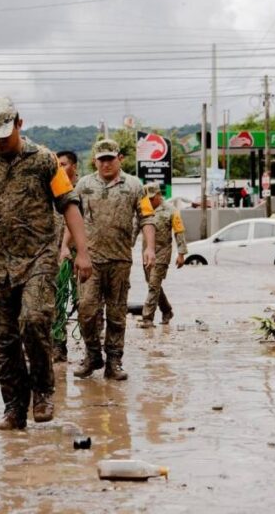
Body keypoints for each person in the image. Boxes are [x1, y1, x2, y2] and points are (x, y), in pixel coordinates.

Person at [0, 96, 92, 431]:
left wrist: (82, 252)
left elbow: (69, 205)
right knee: (4, 338)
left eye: (5, 133)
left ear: (19, 124)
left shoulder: (45, 162)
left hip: (39, 257)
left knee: (34, 319)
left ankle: (42, 391)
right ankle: (14, 407)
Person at [66, 138, 156, 381]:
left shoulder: (135, 186)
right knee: (86, 310)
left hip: (120, 260)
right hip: (89, 260)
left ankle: (114, 361)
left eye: (110, 159)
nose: (106, 164)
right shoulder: (84, 185)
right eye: (101, 159)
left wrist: (149, 248)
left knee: (116, 314)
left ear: (120, 159)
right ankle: (93, 354)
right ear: (95, 160)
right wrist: (65, 246)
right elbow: (72, 215)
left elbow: (147, 218)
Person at [137, 182, 187, 328]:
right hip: (146, 253)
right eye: (148, 199)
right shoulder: (144, 209)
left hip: (162, 253)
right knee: (153, 284)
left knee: (153, 285)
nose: (150, 202)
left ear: (159, 195)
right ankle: (167, 310)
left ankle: (147, 318)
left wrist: (181, 254)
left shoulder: (171, 210)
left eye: (152, 198)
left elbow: (179, 231)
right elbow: (135, 228)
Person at [52, 150, 79, 363]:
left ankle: (93, 349)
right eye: (57, 165)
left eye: (64, 164)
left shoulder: (84, 189)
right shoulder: (50, 191)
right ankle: (58, 346)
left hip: (81, 257)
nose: (60, 169)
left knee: (85, 304)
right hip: (56, 258)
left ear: (74, 166)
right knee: (56, 301)